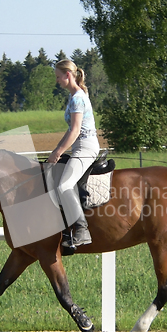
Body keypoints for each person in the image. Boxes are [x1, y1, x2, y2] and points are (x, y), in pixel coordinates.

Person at [47, 59, 100, 247]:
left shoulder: (78, 98)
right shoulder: (73, 97)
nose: (57, 81)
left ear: (68, 75)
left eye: (58, 77)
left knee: (64, 186)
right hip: (78, 146)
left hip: (86, 147)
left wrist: (59, 151)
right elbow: (70, 131)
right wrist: (56, 152)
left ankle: (82, 230)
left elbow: (75, 130)